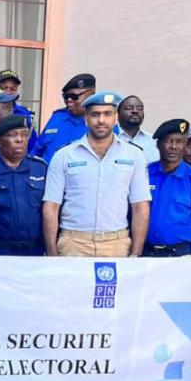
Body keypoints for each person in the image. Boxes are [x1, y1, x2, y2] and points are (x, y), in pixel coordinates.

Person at [42, 90, 151, 257]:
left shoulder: (134, 155)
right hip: (73, 244)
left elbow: (140, 206)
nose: (101, 120)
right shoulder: (64, 155)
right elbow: (51, 206)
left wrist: (136, 253)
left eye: (107, 114)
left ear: (115, 118)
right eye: (95, 114)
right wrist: (51, 252)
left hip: (117, 244)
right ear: (86, 119)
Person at [143, 119, 191, 257]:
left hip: (179, 255)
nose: (174, 147)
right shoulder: (144, 175)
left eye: (180, 142)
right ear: (159, 144)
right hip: (145, 252)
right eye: (169, 141)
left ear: (185, 145)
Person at [0, 114, 47, 256]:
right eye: (12, 135)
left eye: (24, 135)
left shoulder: (40, 168)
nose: (19, 139)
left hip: (34, 252)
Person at [34, 73, 95, 163]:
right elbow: (37, 150)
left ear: (91, 95)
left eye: (74, 97)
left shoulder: (101, 123)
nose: (69, 100)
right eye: (66, 97)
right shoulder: (57, 117)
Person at [115, 95, 159, 163]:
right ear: (117, 114)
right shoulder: (110, 138)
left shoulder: (153, 141)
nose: (135, 111)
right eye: (129, 108)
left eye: (140, 108)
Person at [0, 69, 36, 138]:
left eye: (13, 89)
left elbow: (32, 142)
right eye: (4, 88)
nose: (8, 92)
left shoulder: (25, 114)